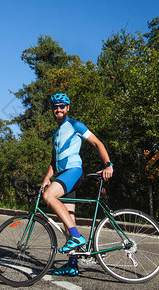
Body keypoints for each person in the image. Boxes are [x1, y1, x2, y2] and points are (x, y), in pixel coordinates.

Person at [41, 93, 113, 276]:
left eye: (62, 106)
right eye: (55, 107)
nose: (58, 109)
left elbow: (97, 143)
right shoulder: (55, 133)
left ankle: (77, 236)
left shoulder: (74, 125)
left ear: (68, 108)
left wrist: (108, 164)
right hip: (62, 173)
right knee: (68, 219)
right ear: (52, 110)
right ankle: (72, 264)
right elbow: (54, 159)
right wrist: (46, 178)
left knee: (49, 196)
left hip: (73, 171)